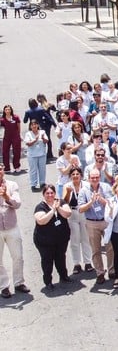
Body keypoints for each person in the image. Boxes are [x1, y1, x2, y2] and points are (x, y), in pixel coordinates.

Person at [78, 169, 114, 285]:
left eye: (97, 177)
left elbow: (111, 204)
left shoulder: (106, 187)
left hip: (105, 221)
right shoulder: (83, 190)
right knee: (96, 249)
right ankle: (99, 273)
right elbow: (80, 209)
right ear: (88, 178)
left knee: (110, 247)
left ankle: (112, 270)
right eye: (92, 178)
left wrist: (101, 199)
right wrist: (91, 202)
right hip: (92, 222)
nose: (95, 180)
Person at [32, 185, 72, 290]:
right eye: (47, 193)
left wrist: (58, 207)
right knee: (47, 261)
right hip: (45, 241)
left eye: (52, 193)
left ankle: (63, 276)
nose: (50, 195)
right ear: (43, 195)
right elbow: (41, 221)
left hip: (61, 239)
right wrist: (52, 210)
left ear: (55, 193)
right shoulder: (40, 207)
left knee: (61, 257)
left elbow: (68, 214)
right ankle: (48, 282)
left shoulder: (61, 202)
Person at [0, 164, 29, 298]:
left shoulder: (12, 185)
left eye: (0, 169)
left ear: (3, 170)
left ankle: (19, 282)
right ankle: (4, 286)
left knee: (18, 256)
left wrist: (7, 197)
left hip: (12, 226)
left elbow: (17, 204)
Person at [23, 120, 49, 192]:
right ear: (30, 126)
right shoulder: (28, 134)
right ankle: (33, 185)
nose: (34, 126)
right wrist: (35, 139)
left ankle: (42, 183)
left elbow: (46, 141)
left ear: (38, 125)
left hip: (42, 154)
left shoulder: (42, 132)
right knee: (33, 170)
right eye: (32, 125)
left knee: (42, 169)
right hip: (32, 155)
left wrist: (43, 138)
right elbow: (28, 144)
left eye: (35, 124)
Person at [1, 105, 23, 174]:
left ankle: (16, 166)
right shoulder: (2, 119)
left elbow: (19, 126)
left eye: (9, 109)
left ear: (11, 110)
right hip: (7, 137)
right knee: (5, 152)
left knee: (16, 151)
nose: (7, 111)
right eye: (6, 110)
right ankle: (7, 167)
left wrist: (19, 135)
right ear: (4, 111)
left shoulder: (15, 117)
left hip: (15, 136)